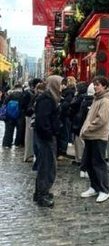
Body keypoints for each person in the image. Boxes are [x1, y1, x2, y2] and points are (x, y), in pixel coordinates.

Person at [79, 76, 109, 203]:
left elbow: (101, 120)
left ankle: (104, 190)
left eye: (97, 84)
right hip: (90, 136)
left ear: (104, 86)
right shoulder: (96, 99)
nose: (95, 86)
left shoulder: (105, 100)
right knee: (89, 163)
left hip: (98, 136)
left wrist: (87, 129)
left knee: (98, 163)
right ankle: (94, 186)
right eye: (94, 84)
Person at [32, 75, 62, 207]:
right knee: (47, 167)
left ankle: (41, 192)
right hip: (45, 138)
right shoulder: (47, 99)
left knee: (46, 166)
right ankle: (42, 195)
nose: (62, 87)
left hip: (46, 136)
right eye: (60, 84)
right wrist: (50, 133)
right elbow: (42, 121)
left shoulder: (49, 97)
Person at [75, 83, 94, 178]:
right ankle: (87, 169)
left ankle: (84, 168)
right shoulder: (93, 102)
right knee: (90, 150)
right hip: (91, 129)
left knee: (86, 150)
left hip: (83, 127)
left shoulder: (83, 101)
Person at [57, 76, 76, 160]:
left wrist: (61, 103)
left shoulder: (69, 92)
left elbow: (66, 104)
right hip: (64, 115)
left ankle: (62, 151)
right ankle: (61, 150)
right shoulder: (67, 92)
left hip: (65, 115)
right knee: (63, 132)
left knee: (64, 133)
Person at [22, 78, 41, 162]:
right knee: (29, 136)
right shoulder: (30, 93)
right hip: (30, 116)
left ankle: (31, 154)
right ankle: (28, 155)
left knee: (31, 136)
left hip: (30, 115)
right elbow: (24, 106)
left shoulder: (32, 93)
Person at [1, 82, 25, 149]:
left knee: (8, 130)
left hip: (9, 115)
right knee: (19, 131)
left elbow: (4, 104)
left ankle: (7, 143)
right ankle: (17, 143)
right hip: (19, 115)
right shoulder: (23, 95)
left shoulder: (10, 95)